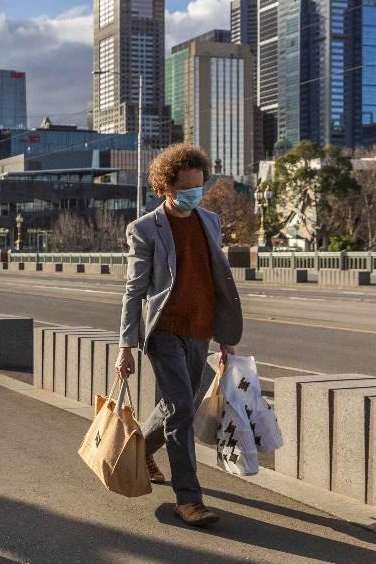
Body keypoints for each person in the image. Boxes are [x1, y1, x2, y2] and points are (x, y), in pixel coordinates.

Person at [116, 143, 243, 527]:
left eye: (199, 185)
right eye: (187, 187)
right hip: (164, 331)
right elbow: (134, 290)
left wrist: (226, 335)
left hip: (200, 329)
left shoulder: (210, 221)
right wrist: (126, 346)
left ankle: (139, 452)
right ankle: (188, 500)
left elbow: (215, 280)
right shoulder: (144, 228)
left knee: (177, 405)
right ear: (166, 187)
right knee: (182, 411)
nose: (195, 193)